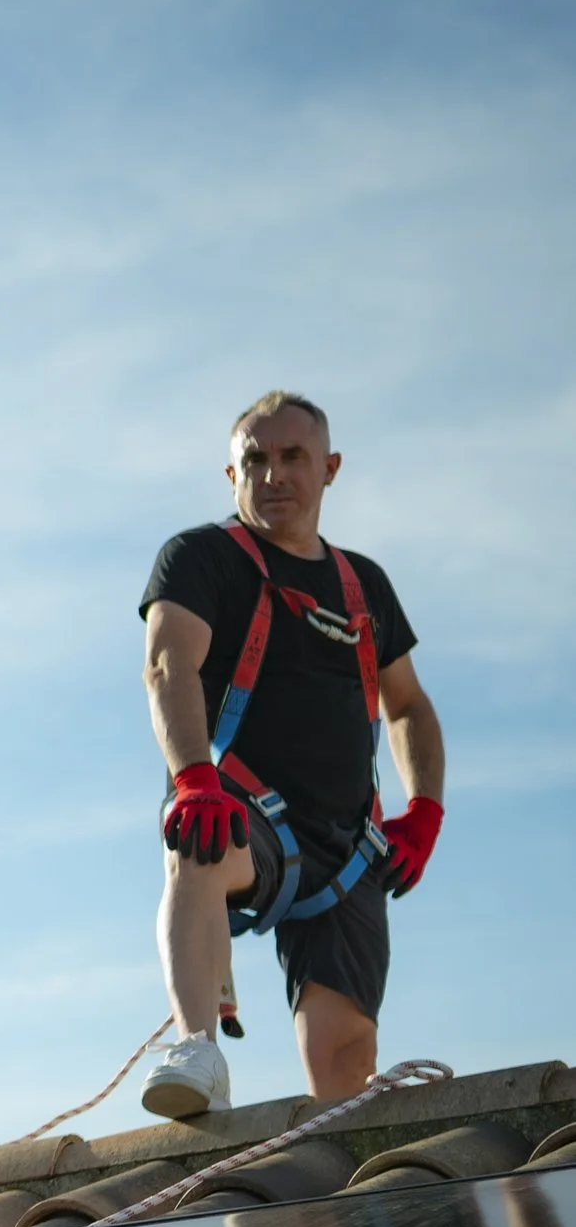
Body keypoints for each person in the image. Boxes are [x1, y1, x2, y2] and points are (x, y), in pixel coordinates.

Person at [136, 391, 444, 1116]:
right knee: (199, 844)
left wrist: (423, 810)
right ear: (231, 474)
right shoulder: (201, 557)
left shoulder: (364, 584)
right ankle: (196, 1050)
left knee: (344, 1068)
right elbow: (168, 664)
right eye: (256, 459)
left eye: (293, 457)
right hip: (242, 807)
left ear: (329, 468)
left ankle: (342, 1189)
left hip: (349, 846)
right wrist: (192, 780)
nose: (274, 475)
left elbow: (409, 706)